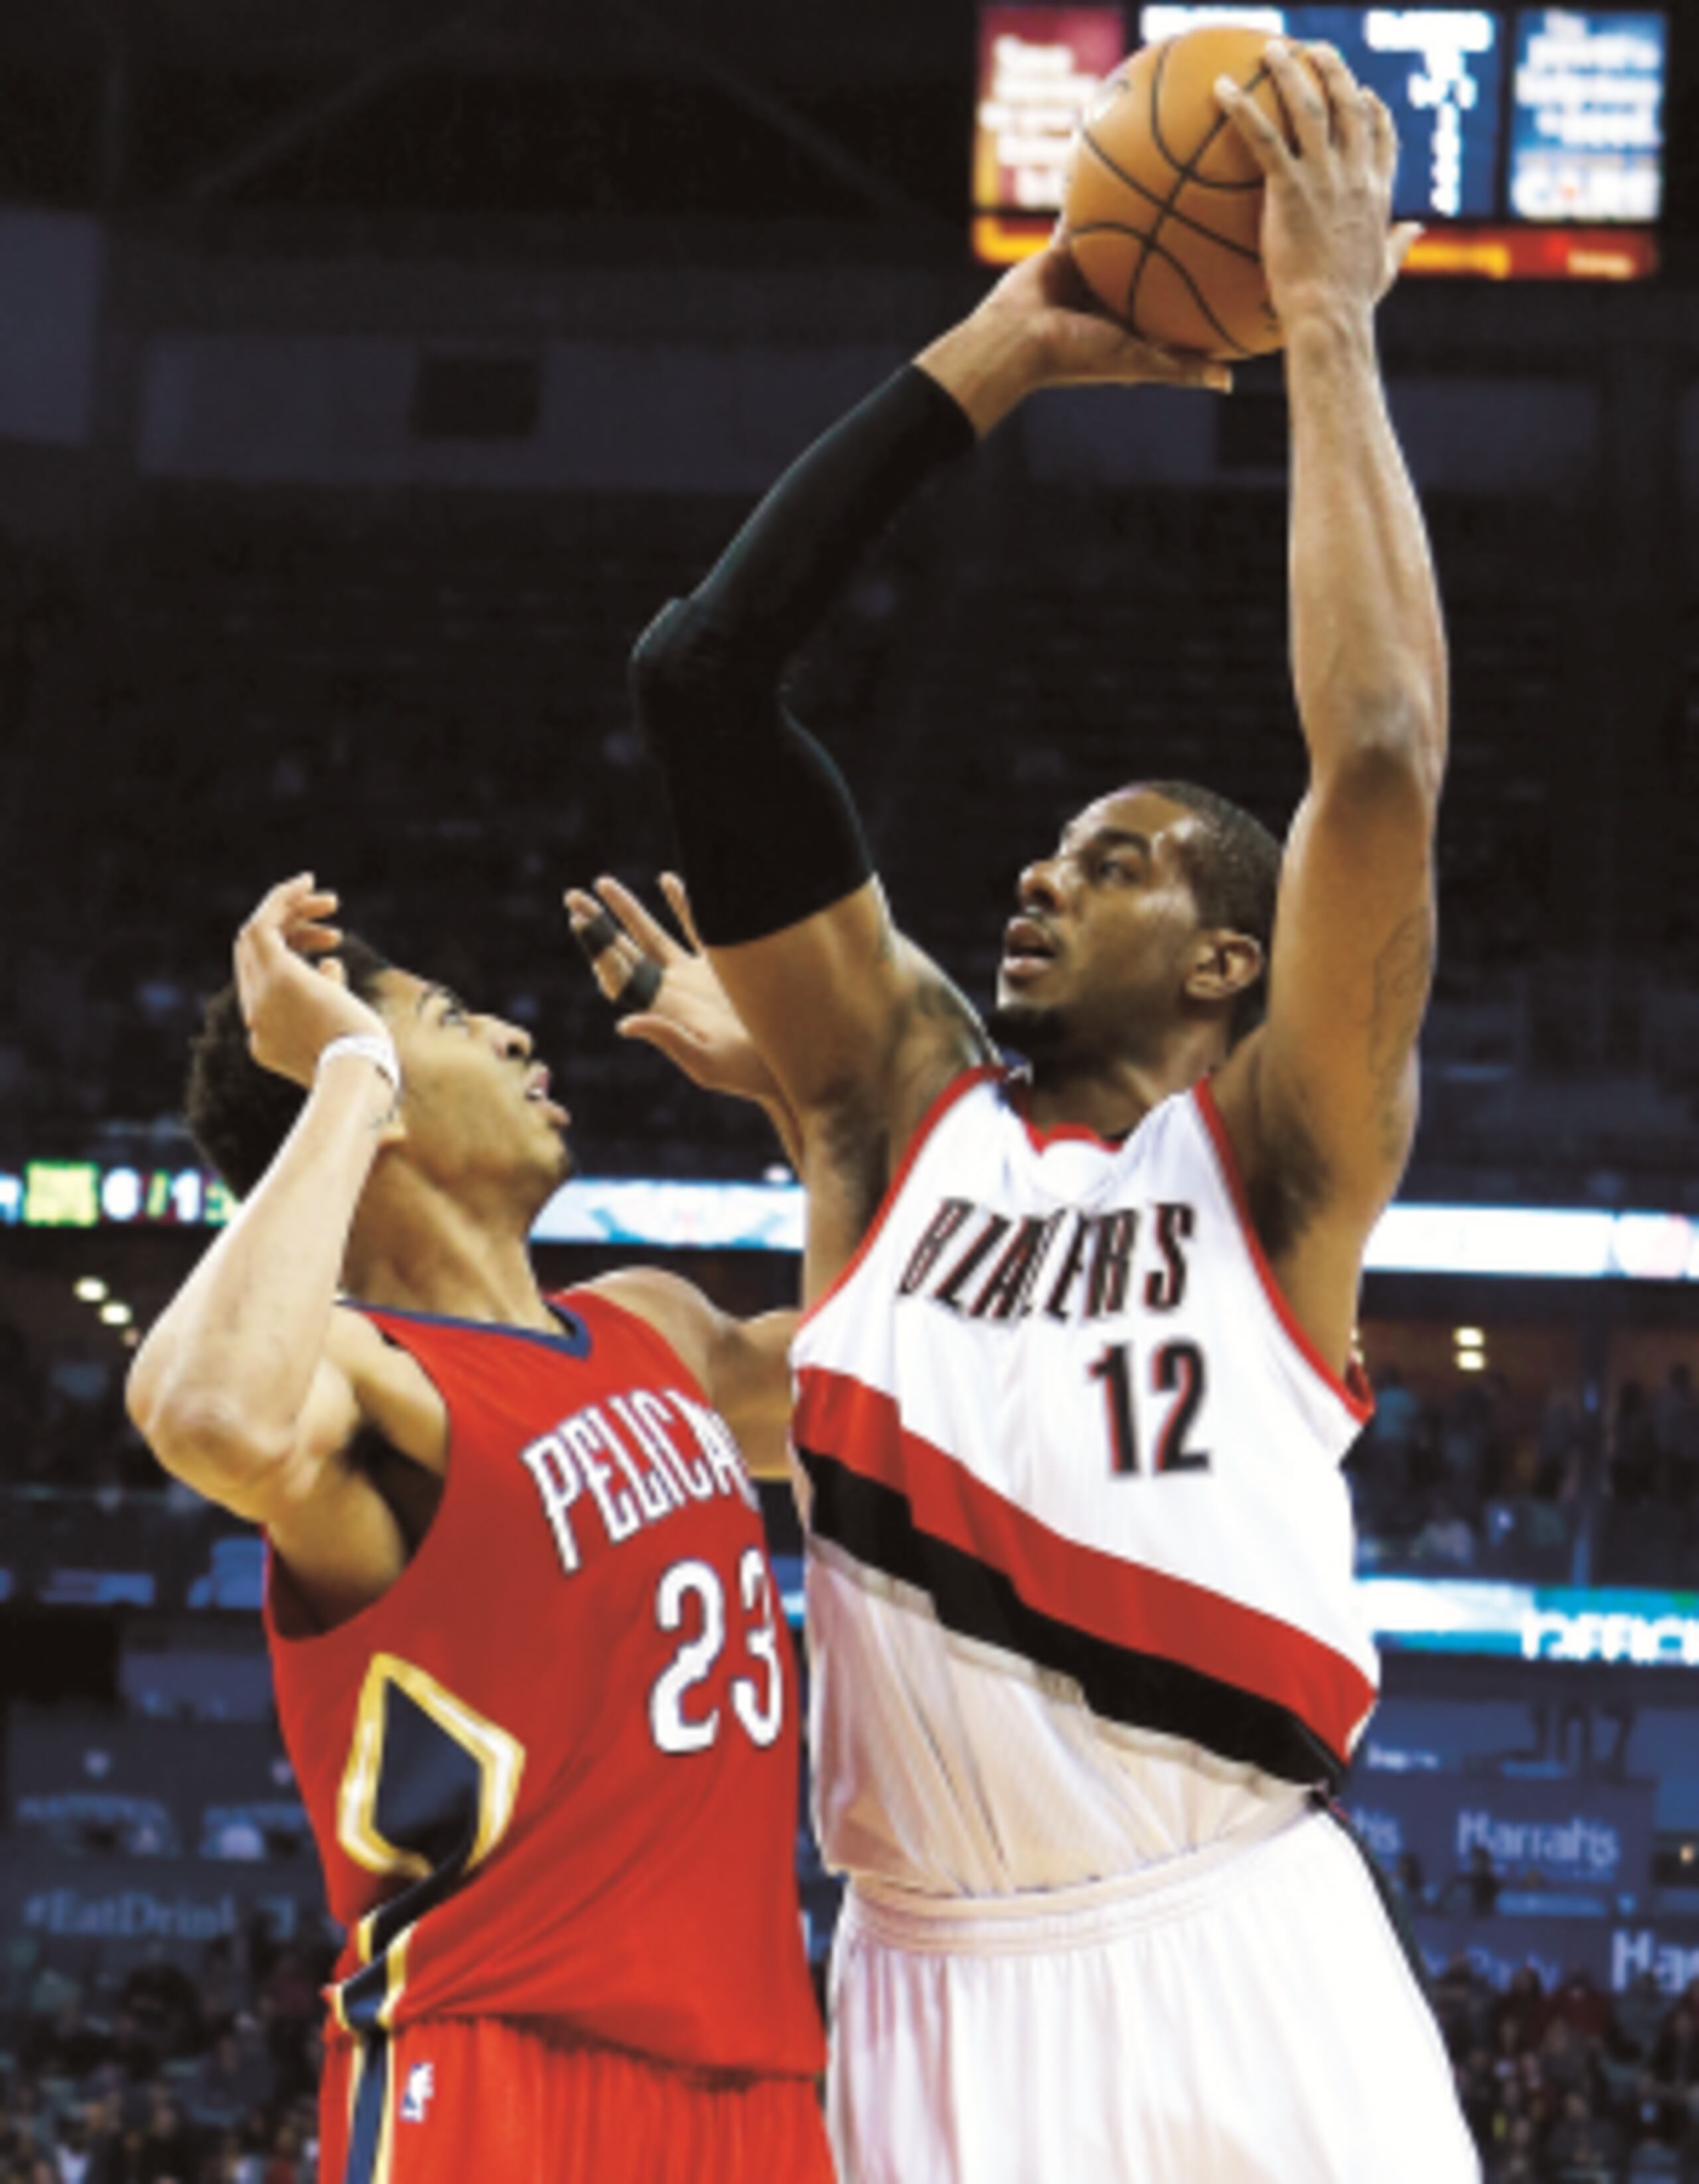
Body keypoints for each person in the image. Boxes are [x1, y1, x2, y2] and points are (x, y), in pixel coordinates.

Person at [615, 36, 1475, 2183]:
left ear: (1228, 964)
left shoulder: (1280, 1168)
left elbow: (1371, 752)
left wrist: (1330, 329)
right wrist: (993, 354)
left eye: (1114, 859)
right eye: (1046, 851)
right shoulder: (890, 1120)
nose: (1033, 876)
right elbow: (704, 681)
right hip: (929, 1983)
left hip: (1247, 1939)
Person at [127, 878, 830, 2184]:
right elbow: (207, 1414)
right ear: (379, 1108)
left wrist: (799, 1090)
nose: (512, 1032)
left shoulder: (657, 1324)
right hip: (494, 2072)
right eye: (450, 1019)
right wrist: (347, 1064)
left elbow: (907, 1373)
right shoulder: (367, 1376)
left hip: (755, 2086)